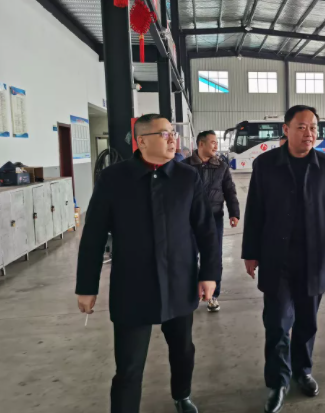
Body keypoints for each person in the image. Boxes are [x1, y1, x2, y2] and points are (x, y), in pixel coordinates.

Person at [76, 114, 220, 413]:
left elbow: (206, 230)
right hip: (133, 286)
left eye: (173, 133)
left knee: (183, 350)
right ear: (141, 141)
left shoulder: (186, 177)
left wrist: (209, 274)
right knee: (129, 366)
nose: (172, 139)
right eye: (164, 134)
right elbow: (93, 235)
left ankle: (182, 394)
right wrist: (87, 286)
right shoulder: (114, 179)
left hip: (179, 281)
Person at [242, 105, 325, 413]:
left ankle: (302, 371)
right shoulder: (266, 164)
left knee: (307, 322)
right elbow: (255, 210)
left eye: (313, 128)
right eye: (301, 127)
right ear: (286, 129)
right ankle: (277, 382)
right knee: (277, 323)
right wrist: (250, 253)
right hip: (276, 257)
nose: (309, 133)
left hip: (314, 257)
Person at [183, 130, 240, 312]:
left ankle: (213, 295)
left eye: (216, 142)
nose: (216, 146)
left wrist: (234, 213)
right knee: (189, 256)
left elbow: (229, 190)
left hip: (214, 217)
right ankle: (191, 293)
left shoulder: (221, 166)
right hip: (189, 219)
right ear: (201, 144)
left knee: (214, 255)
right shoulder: (185, 166)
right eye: (213, 142)